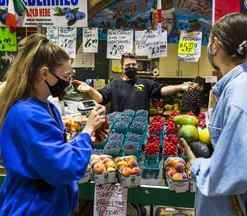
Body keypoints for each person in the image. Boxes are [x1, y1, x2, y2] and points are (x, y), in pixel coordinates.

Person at [0, 34, 106, 215]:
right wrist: (87, 131)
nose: (69, 82)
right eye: (66, 76)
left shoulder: (48, 107)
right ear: (44, 74)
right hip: (32, 207)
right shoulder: (27, 115)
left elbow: (54, 150)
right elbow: (63, 167)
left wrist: (85, 140)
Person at [180, 13, 247, 216]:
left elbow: (240, 171)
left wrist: (197, 165)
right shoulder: (241, 87)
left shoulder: (242, 91)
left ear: (215, 45)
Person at [74, 53, 195, 112]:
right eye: (128, 65)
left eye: (133, 64)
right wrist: (90, 90)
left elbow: (162, 90)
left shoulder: (145, 83)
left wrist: (181, 86)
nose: (131, 67)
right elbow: (101, 98)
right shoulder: (114, 84)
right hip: (119, 130)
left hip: (140, 130)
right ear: (122, 67)